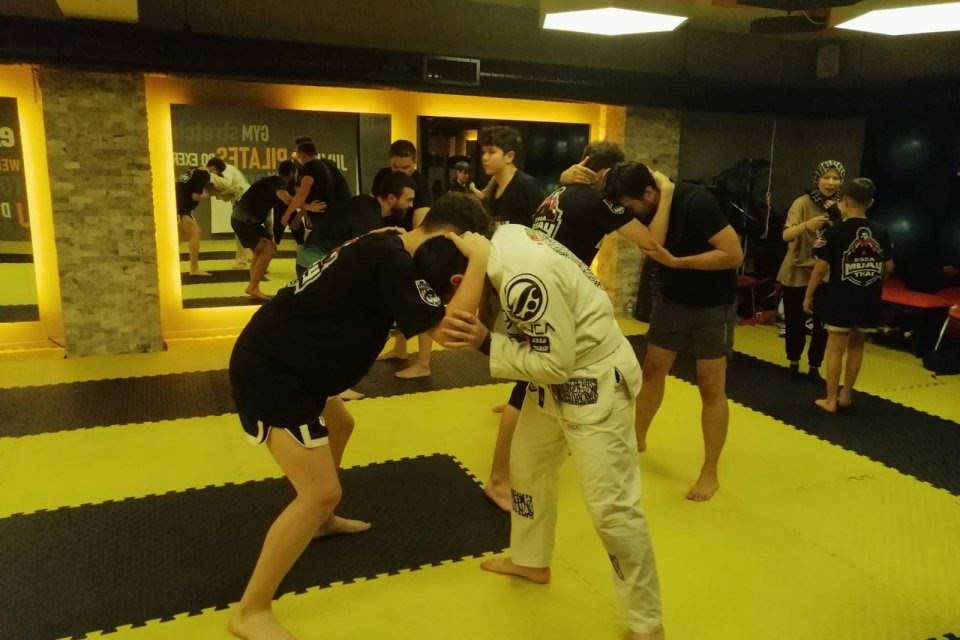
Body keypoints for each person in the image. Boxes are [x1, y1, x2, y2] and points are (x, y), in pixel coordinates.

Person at [227, 193, 491, 640]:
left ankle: (321, 520)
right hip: (275, 373)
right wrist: (480, 261)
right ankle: (250, 611)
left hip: (297, 364)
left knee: (341, 424)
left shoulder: (387, 241)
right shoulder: (391, 261)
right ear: (453, 238)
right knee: (319, 492)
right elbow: (453, 331)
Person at [432, 224, 665, 640]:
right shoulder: (501, 240)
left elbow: (556, 365)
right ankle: (531, 560)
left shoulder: (523, 280)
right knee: (527, 468)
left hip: (594, 380)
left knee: (612, 508)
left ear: (457, 281)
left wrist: (485, 341)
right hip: (551, 379)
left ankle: (647, 623)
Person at [481, 141, 673, 512]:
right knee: (525, 391)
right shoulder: (595, 201)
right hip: (548, 297)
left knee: (535, 383)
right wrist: (664, 191)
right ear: (605, 173)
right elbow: (654, 244)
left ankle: (529, 453)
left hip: (529, 291)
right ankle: (499, 480)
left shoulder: (561, 193)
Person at [604, 162, 744, 502]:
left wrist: (680, 263)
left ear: (647, 192)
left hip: (713, 304)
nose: (631, 213)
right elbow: (655, 245)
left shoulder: (697, 202)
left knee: (711, 386)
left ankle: (710, 471)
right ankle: (636, 438)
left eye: (632, 205)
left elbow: (733, 255)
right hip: (672, 300)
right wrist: (664, 195)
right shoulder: (651, 205)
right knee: (652, 369)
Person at [804, 178, 893, 413]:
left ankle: (830, 399)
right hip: (868, 297)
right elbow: (888, 267)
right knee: (856, 346)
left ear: (843, 201)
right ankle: (846, 395)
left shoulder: (835, 230)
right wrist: (872, 282)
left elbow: (820, 268)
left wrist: (809, 294)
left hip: (840, 296)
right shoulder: (881, 231)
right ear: (870, 203)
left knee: (835, 348)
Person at [777, 160, 845, 378]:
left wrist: (837, 216)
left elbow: (848, 235)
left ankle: (815, 366)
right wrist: (806, 225)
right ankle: (793, 361)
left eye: (836, 178)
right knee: (794, 321)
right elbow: (785, 235)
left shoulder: (842, 206)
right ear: (817, 179)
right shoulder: (801, 203)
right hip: (797, 269)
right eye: (826, 177)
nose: (831, 183)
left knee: (821, 325)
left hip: (825, 272)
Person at [376, 140, 437, 378]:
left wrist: (407, 252)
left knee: (422, 304)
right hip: (391, 245)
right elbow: (375, 209)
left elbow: (421, 227)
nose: (400, 172)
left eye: (405, 168)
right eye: (395, 167)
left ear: (414, 164)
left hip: (415, 247)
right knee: (396, 298)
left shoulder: (421, 186)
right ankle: (400, 349)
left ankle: (423, 363)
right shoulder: (383, 178)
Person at [295, 170, 416, 278]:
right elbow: (367, 256)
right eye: (408, 200)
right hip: (314, 265)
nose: (411, 205)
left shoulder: (365, 204)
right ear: (391, 198)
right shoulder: (368, 215)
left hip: (310, 261)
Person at [231, 161, 319, 300]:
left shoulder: (271, 183)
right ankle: (253, 287)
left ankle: (254, 287)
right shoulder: (278, 182)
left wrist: (270, 235)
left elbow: (268, 214)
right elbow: (287, 200)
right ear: (292, 173)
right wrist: (309, 206)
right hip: (244, 220)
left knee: (262, 251)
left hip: (245, 220)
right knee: (268, 250)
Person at [479, 125, 545, 227]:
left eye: (491, 152)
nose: (484, 157)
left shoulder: (526, 187)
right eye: (484, 152)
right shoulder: (495, 189)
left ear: (509, 156)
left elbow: (543, 225)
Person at [206, 157, 253, 269]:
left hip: (246, 200)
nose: (212, 173)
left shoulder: (228, 168)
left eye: (212, 170)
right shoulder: (222, 176)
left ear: (216, 167)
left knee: (241, 231)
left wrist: (209, 175)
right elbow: (226, 196)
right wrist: (217, 192)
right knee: (247, 231)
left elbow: (226, 184)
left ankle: (242, 260)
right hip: (242, 201)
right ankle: (254, 257)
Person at [175, 165, 213, 277]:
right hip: (183, 207)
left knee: (178, 236)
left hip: (178, 204)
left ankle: (166, 263)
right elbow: (195, 196)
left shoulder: (191, 170)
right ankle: (194, 268)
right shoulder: (203, 174)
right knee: (196, 233)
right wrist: (206, 195)